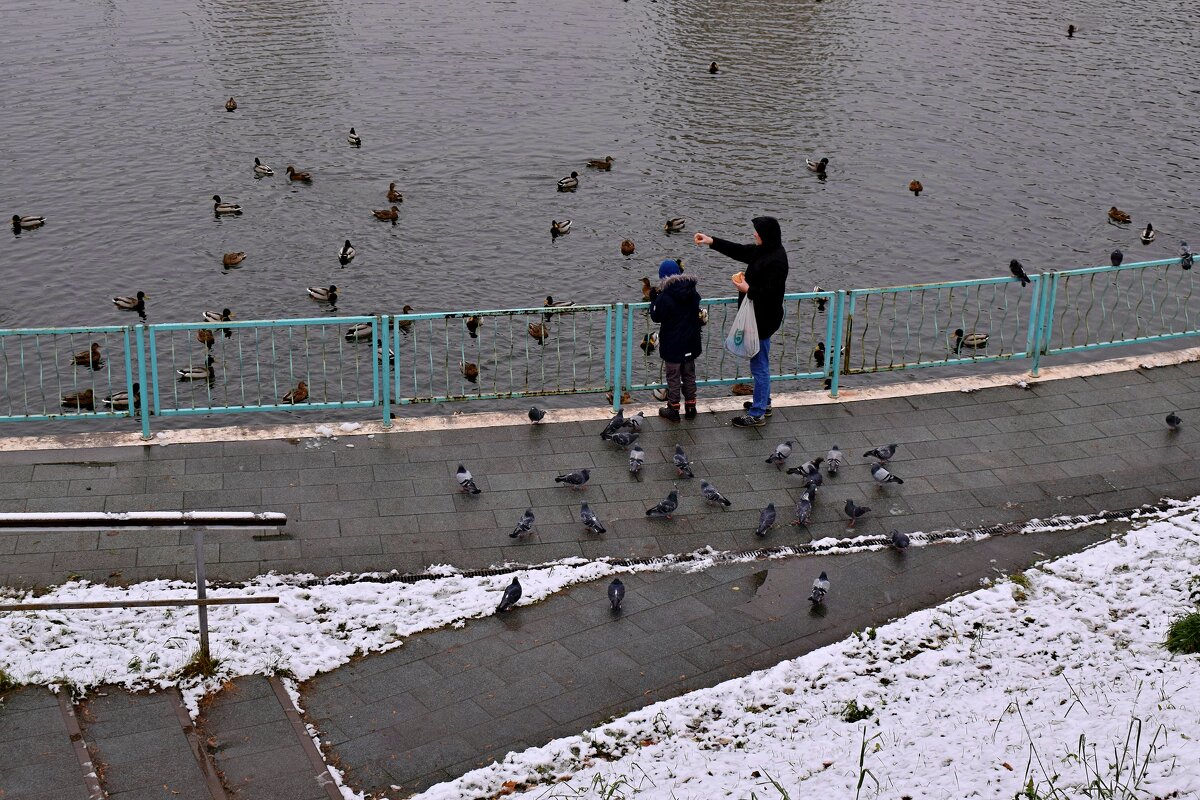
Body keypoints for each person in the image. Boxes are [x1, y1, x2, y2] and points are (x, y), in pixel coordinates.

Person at [694, 217, 788, 427]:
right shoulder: (765, 251)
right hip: (760, 318)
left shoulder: (777, 260)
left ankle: (757, 414)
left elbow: (772, 294)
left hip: (762, 320)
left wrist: (748, 289)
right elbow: (739, 250)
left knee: (759, 366)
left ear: (766, 236)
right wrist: (712, 241)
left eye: (757, 232)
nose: (754, 234)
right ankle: (765, 403)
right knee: (761, 361)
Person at [649, 259, 702, 421]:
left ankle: (673, 408)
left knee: (673, 376)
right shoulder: (692, 292)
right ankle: (691, 406)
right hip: (691, 342)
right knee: (689, 375)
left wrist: (654, 300)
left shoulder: (666, 296)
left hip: (673, 344)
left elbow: (656, 316)